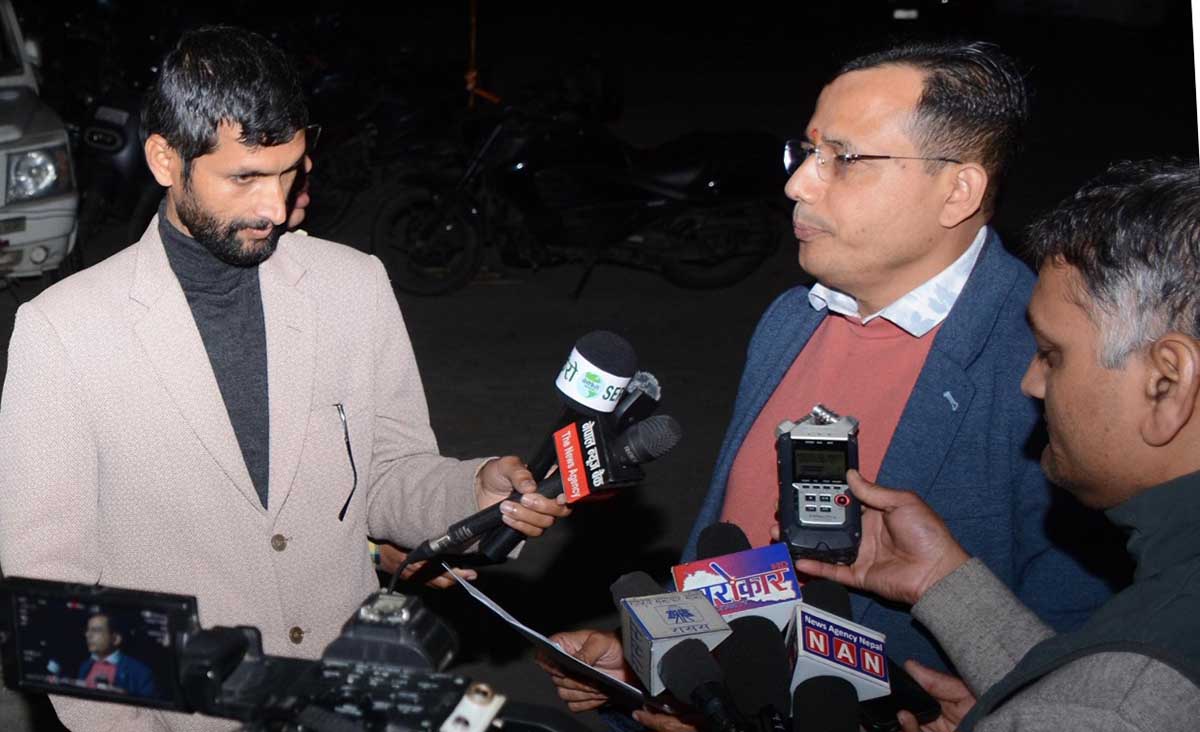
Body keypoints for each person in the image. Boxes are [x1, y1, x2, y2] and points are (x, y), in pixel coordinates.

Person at [0, 26, 568, 731]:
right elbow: (52, 596)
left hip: (354, 697)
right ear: (165, 159)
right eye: (245, 178)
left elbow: (387, 469)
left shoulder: (353, 286)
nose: (275, 207)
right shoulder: (63, 330)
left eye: (289, 171)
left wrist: (467, 492)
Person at [538, 39, 1116, 726]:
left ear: (957, 191)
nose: (798, 184)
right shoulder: (792, 319)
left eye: (844, 158)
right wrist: (660, 662)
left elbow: (1088, 653)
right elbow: (739, 554)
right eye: (808, 151)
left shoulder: (1046, 365)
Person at [796, 158, 1200, 731]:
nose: (1031, 382)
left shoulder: (1117, 708)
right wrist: (943, 582)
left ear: (1167, 382)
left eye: (1053, 355)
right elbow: (1088, 682)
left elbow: (1102, 701)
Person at [77, 613, 157, 698]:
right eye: (88, 630)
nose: (88, 635)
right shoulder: (85, 666)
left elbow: (150, 703)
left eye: (96, 630)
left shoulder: (141, 672)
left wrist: (125, 697)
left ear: (116, 639)